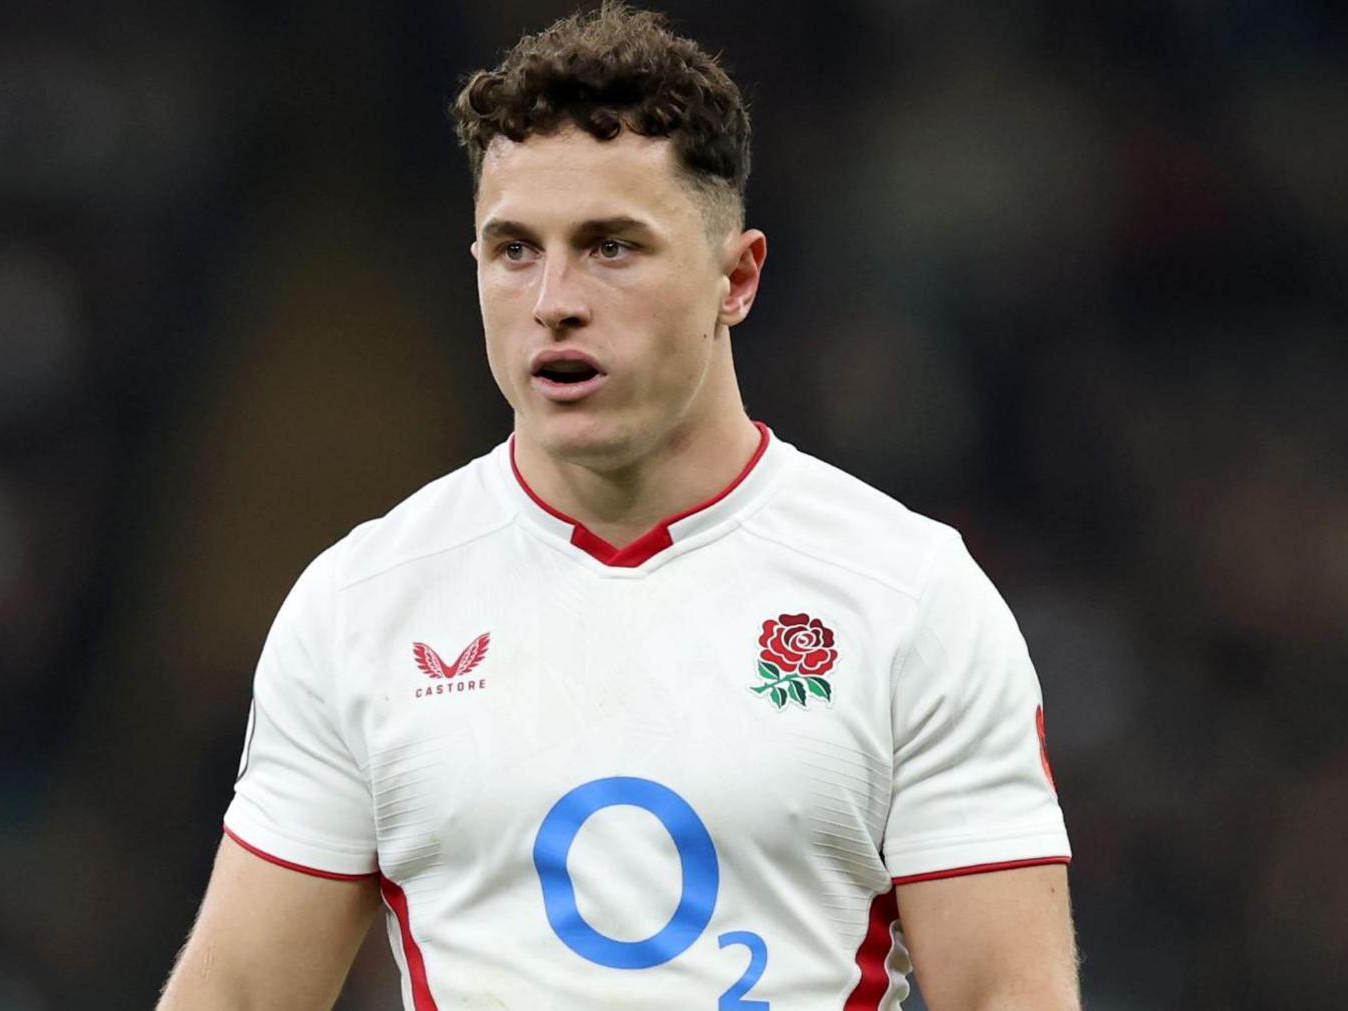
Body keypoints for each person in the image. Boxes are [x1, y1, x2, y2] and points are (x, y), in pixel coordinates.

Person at [157, 3, 1078, 1008]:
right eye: (515, 250)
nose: (553, 297)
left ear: (737, 277)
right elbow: (240, 992)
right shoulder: (362, 605)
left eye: (611, 247)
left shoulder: (909, 599)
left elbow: (1006, 995)